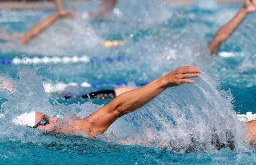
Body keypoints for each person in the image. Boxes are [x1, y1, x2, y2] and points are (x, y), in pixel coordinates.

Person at [13, 66, 201, 136]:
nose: (54, 119)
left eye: (48, 116)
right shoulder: (70, 131)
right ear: (33, 133)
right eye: (44, 121)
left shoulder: (68, 131)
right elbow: (116, 109)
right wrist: (164, 81)